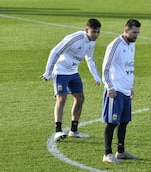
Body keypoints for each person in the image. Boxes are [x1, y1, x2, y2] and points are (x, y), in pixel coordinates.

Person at [40, 18, 102, 141]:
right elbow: (55, 51)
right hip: (60, 71)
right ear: (86, 30)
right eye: (94, 32)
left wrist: (96, 76)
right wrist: (48, 72)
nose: (96, 35)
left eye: (98, 32)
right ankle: (58, 131)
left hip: (73, 72)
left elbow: (89, 59)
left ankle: (74, 130)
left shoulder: (91, 42)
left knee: (80, 98)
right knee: (61, 98)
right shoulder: (75, 38)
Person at [101, 19, 141, 163]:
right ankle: (107, 154)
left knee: (124, 122)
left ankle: (121, 151)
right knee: (112, 123)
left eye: (138, 33)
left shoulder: (132, 45)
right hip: (115, 90)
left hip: (125, 91)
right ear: (126, 30)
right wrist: (110, 87)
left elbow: (129, 68)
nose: (136, 35)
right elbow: (105, 68)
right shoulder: (115, 45)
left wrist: (130, 87)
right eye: (134, 32)